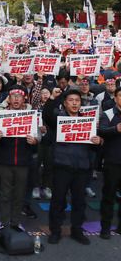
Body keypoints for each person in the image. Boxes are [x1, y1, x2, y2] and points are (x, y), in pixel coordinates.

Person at [43, 88, 102, 245]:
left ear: (80, 104)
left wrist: (98, 142)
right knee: (58, 200)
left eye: (77, 100)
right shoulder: (59, 119)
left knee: (79, 201)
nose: (74, 103)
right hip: (62, 165)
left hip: (82, 167)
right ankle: (55, 230)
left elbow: (96, 145)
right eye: (71, 100)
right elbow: (47, 115)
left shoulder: (87, 121)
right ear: (65, 103)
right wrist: (51, 99)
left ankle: (77, 230)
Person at [0, 86, 40, 227]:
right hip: (5, 160)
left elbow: (38, 134)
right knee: (5, 195)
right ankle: (5, 223)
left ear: (24, 98)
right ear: (9, 99)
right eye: (13, 96)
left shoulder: (29, 115)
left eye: (19, 96)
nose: (16, 99)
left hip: (24, 161)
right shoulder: (2, 114)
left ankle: (15, 222)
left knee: (19, 195)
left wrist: (35, 139)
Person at [98, 87, 121, 239]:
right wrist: (116, 129)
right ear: (116, 98)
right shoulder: (109, 113)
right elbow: (102, 130)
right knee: (109, 195)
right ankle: (105, 227)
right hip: (113, 161)